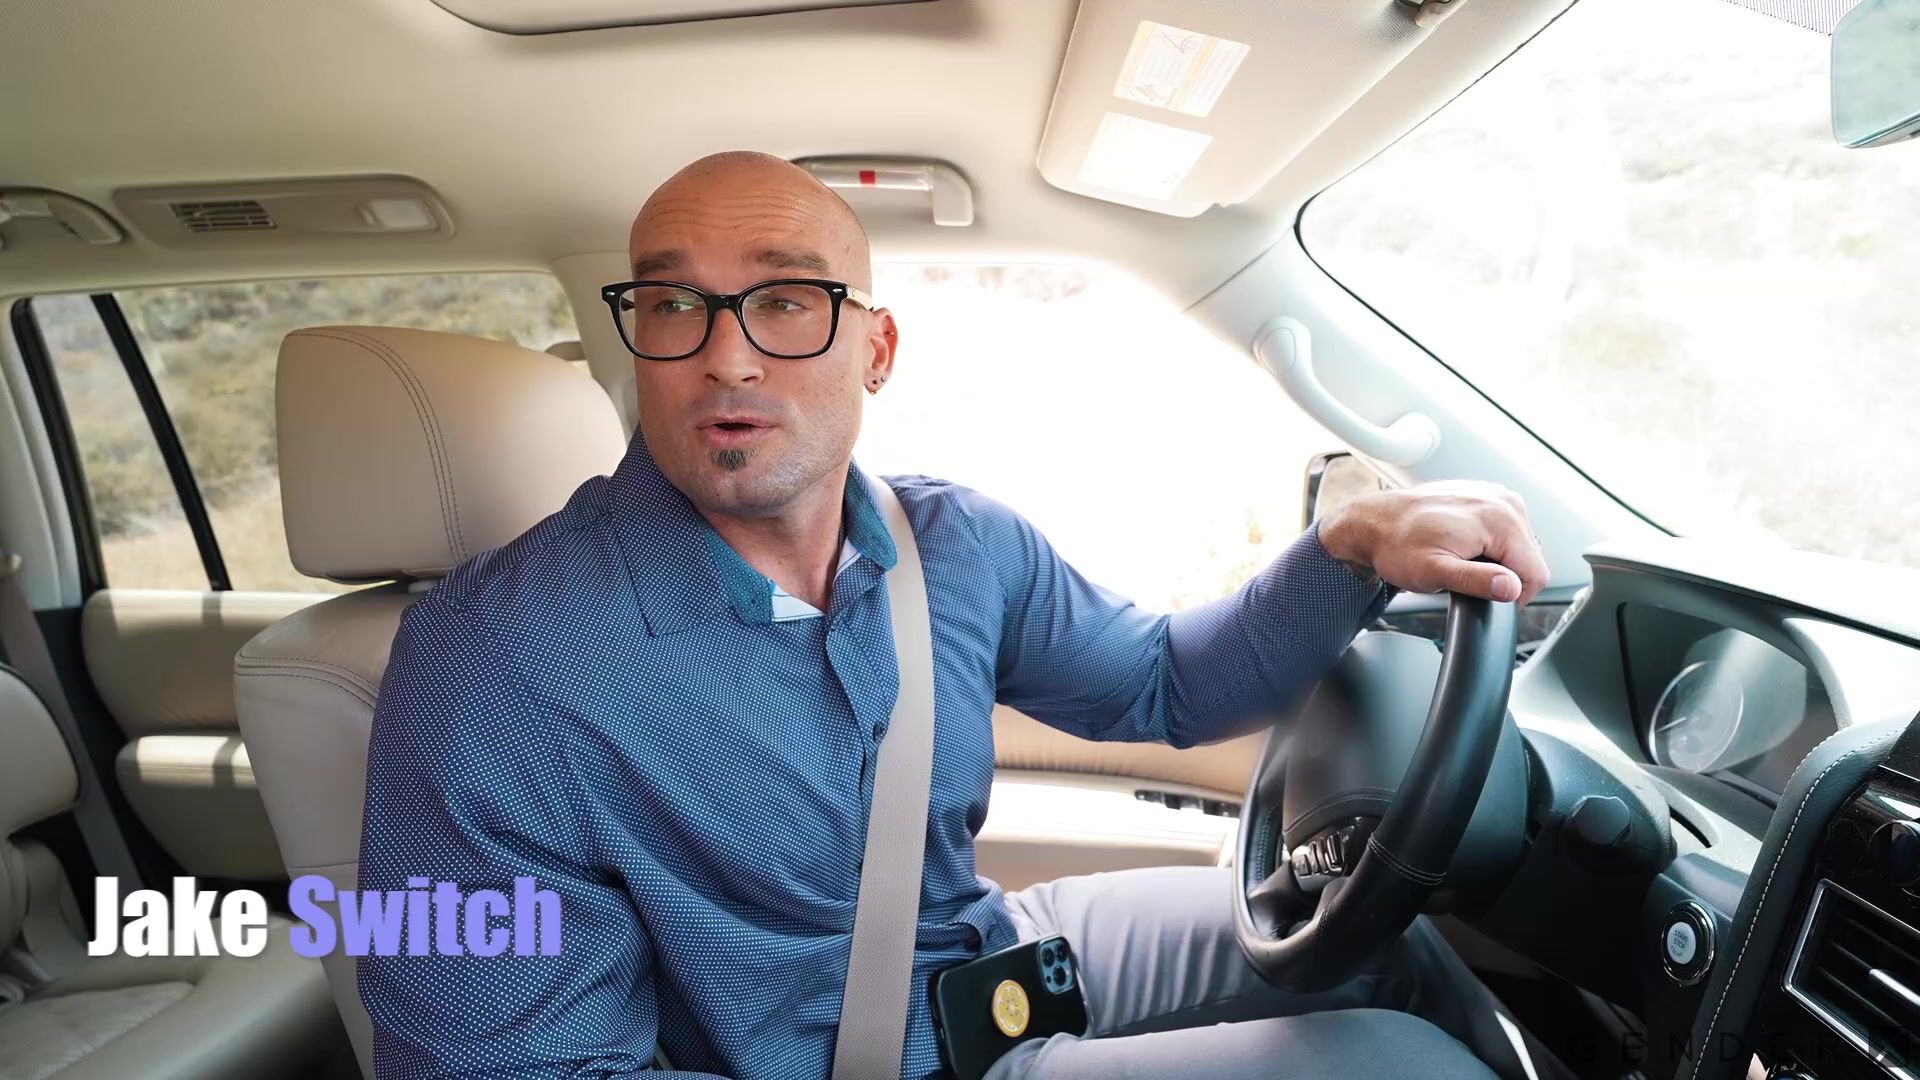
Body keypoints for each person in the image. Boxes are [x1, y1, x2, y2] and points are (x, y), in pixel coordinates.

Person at [357, 150, 1553, 1080]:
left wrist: (1349, 547)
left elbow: (1163, 685)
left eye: (786, 301)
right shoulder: (489, 669)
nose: (727, 358)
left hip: (986, 958)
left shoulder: (954, 547)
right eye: (676, 304)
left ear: (875, 348)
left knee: (1379, 945)